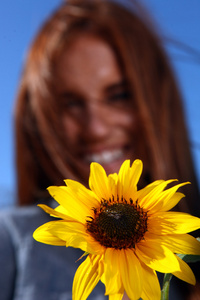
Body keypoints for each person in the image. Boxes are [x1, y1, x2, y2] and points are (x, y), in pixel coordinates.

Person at [0, 0, 199, 299]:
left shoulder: (177, 237)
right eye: (70, 103)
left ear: (159, 101)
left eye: (119, 95)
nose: (96, 128)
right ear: (37, 119)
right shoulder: (12, 243)